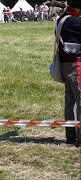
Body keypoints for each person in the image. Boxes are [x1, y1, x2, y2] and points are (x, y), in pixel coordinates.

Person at [57, 0, 81, 145]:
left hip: (67, 64)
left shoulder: (64, 19)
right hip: (76, 64)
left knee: (70, 102)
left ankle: (71, 137)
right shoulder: (73, 22)